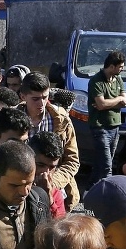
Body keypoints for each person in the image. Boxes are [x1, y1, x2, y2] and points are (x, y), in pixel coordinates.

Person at [18, 72, 80, 209]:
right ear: (23, 96)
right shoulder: (12, 120)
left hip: (58, 193)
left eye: (45, 97)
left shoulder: (61, 119)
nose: (41, 103)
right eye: (35, 99)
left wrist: (53, 183)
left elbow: (72, 160)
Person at [87, 50, 126, 188]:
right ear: (112, 66)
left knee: (103, 162)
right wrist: (118, 100)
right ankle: (109, 195)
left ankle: (90, 189)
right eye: (120, 67)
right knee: (107, 166)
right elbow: (101, 104)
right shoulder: (96, 81)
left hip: (115, 126)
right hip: (100, 127)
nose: (122, 69)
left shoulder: (118, 79)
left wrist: (109, 103)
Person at [29, 131, 66, 218]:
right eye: (40, 165)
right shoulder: (16, 185)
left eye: (52, 167)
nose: (45, 173)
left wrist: (48, 198)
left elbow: (59, 227)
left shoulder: (55, 193)